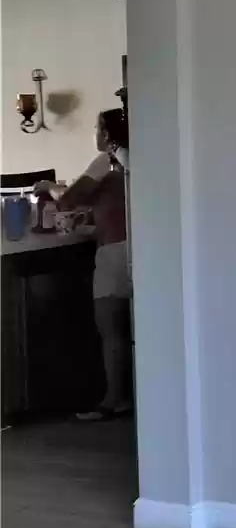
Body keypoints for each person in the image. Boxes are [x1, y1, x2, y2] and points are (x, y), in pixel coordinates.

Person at [36, 107, 132, 420]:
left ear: (106, 134)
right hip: (138, 247)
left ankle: (114, 399)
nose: (94, 133)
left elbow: (70, 198)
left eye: (96, 127)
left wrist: (47, 187)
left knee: (110, 327)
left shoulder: (107, 159)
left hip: (114, 252)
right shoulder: (134, 157)